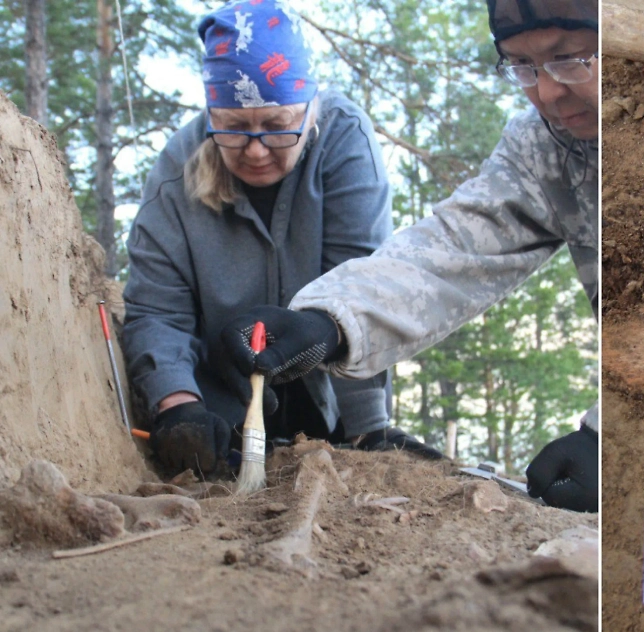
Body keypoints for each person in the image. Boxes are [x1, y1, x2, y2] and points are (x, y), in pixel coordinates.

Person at [213, 0, 599, 512]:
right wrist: (328, 322)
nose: (546, 91)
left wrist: (608, 432)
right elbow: (454, 246)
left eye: (569, 58)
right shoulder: (544, 145)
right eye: (521, 66)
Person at [122, 0, 438, 479]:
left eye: (276, 125)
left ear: (312, 109)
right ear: (211, 113)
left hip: (325, 394)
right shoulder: (175, 173)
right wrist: (177, 405)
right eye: (233, 127)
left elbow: (362, 286)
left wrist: (369, 429)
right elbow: (157, 310)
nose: (255, 149)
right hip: (218, 410)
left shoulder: (344, 141)